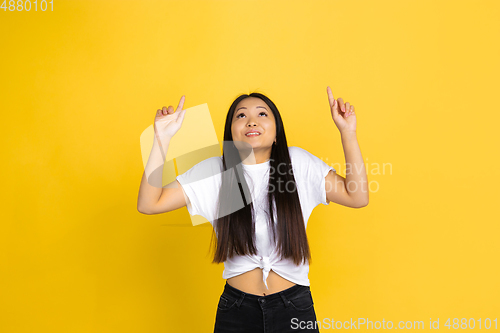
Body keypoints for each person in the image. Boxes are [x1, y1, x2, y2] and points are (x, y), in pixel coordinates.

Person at [137, 87, 369, 332]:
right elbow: (149, 203)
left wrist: (348, 133)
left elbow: (357, 195)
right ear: (231, 134)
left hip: (294, 307)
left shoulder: (297, 163)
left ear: (276, 132)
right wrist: (161, 139)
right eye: (241, 116)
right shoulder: (217, 171)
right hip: (236, 311)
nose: (251, 121)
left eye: (262, 114)